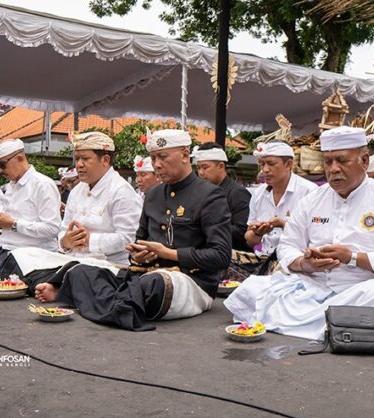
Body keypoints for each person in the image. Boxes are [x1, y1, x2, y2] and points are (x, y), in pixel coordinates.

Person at [225, 127, 374, 348]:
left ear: (364, 161)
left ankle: (316, 324)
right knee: (252, 288)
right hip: (312, 288)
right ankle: (337, 326)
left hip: (359, 291)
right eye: (328, 162)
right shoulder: (312, 200)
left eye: (342, 161)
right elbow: (288, 245)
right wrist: (304, 263)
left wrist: (353, 258)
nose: (334, 169)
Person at [34, 128, 232, 326]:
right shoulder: (153, 194)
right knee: (82, 270)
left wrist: (169, 254)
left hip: (189, 281)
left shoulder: (210, 195)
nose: (157, 165)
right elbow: (136, 245)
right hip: (142, 275)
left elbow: (221, 256)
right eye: (153, 158)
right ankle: (113, 303)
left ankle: (88, 298)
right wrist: (138, 254)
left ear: (185, 155)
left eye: (162, 157)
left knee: (155, 284)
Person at [58, 131, 141, 264]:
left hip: (109, 267)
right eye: (77, 159)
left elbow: (128, 238)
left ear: (105, 160)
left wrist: (90, 240)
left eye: (85, 159)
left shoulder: (121, 191)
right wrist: (65, 241)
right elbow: (64, 229)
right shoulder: (77, 190)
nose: (79, 164)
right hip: (72, 260)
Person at [0, 139, 61, 250]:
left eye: (2, 165)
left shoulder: (42, 184)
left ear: (19, 158)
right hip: (7, 250)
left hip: (34, 255)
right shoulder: (10, 186)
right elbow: (10, 225)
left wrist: (13, 224)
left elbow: (52, 229)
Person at [245, 141, 317, 257]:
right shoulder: (259, 193)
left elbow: (315, 237)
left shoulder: (309, 191)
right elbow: (250, 240)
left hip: (296, 261)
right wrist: (257, 233)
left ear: (288, 165)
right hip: (264, 258)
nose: (265, 170)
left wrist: (283, 224)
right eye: (262, 164)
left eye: (271, 163)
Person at [193, 142, 251, 251]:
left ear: (220, 166)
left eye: (205, 167)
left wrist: (206, 227)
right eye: (198, 168)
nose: (200, 172)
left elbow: (241, 231)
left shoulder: (237, 193)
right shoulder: (199, 192)